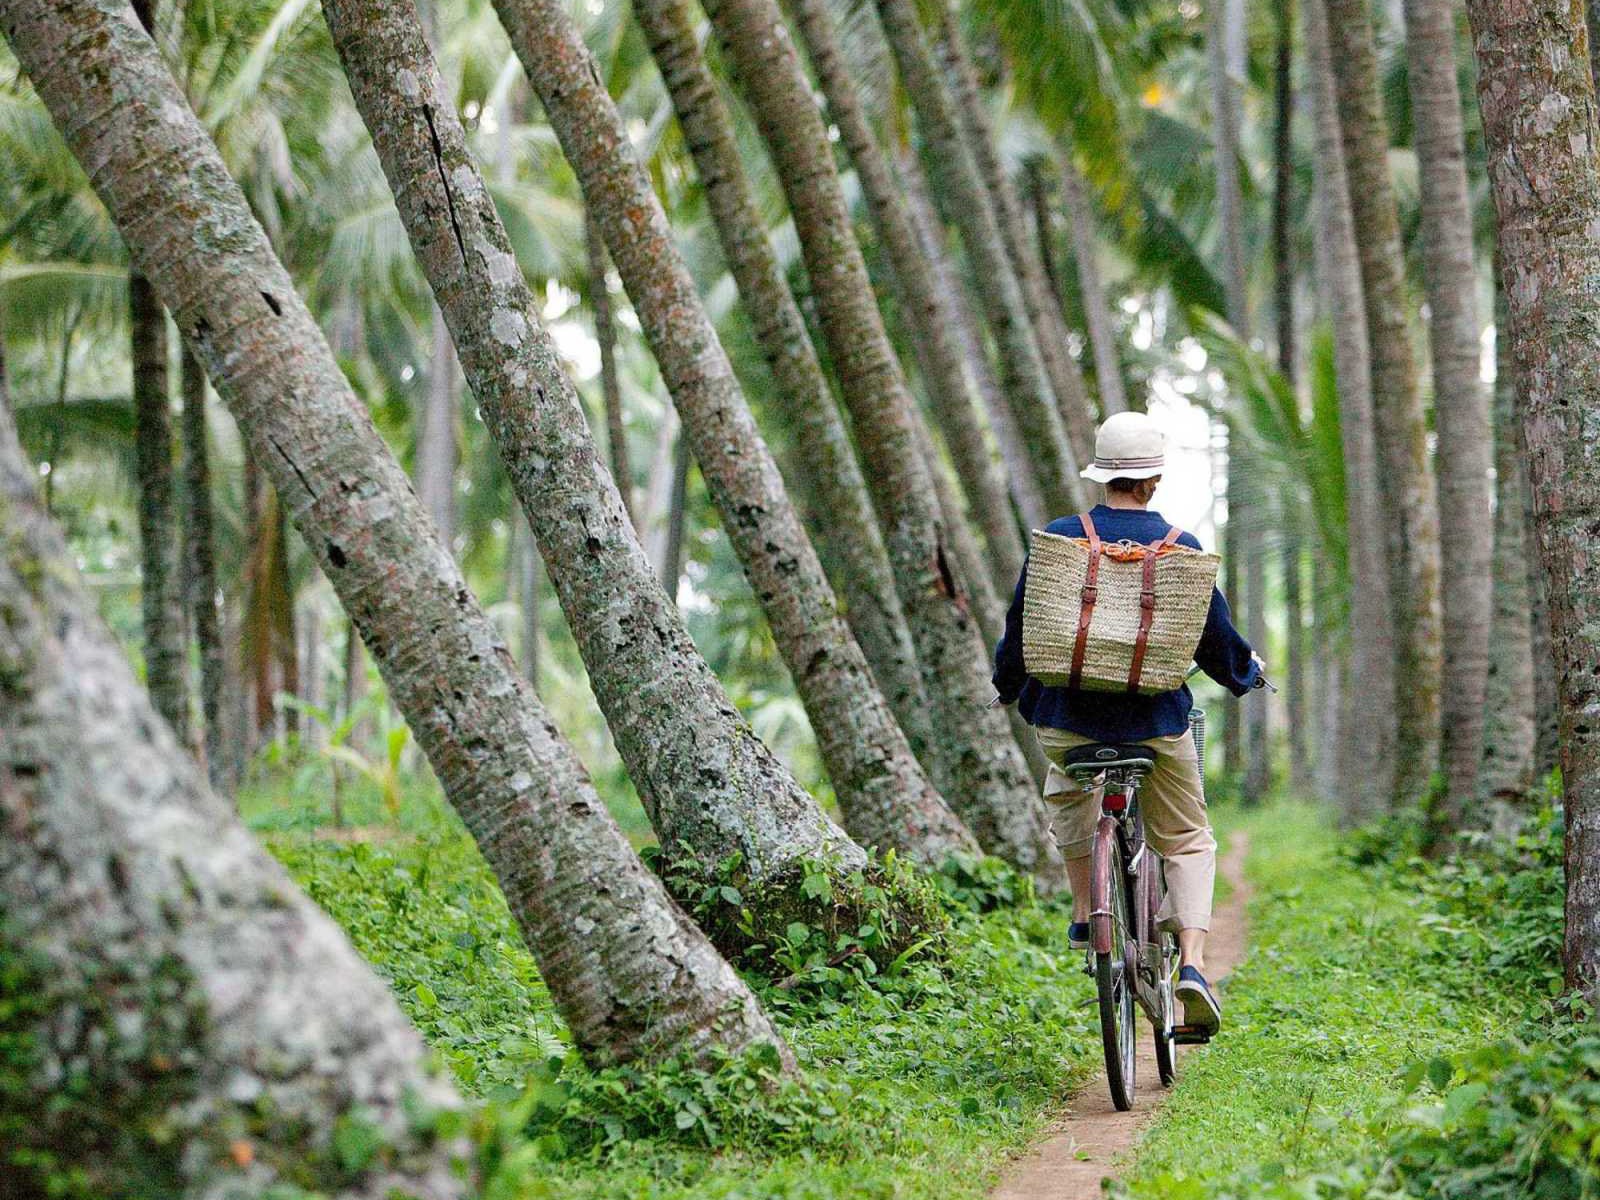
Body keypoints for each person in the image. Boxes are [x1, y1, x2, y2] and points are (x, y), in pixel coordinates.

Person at [992, 411, 1262, 1036]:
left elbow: (1019, 634)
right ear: (1154, 480)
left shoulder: (1061, 541)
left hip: (1068, 724)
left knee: (1067, 794)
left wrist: (1008, 689)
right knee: (1188, 837)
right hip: (1154, 729)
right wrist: (1245, 675)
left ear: (1102, 475)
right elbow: (1213, 640)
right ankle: (1192, 965)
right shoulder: (1182, 550)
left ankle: (1091, 913)